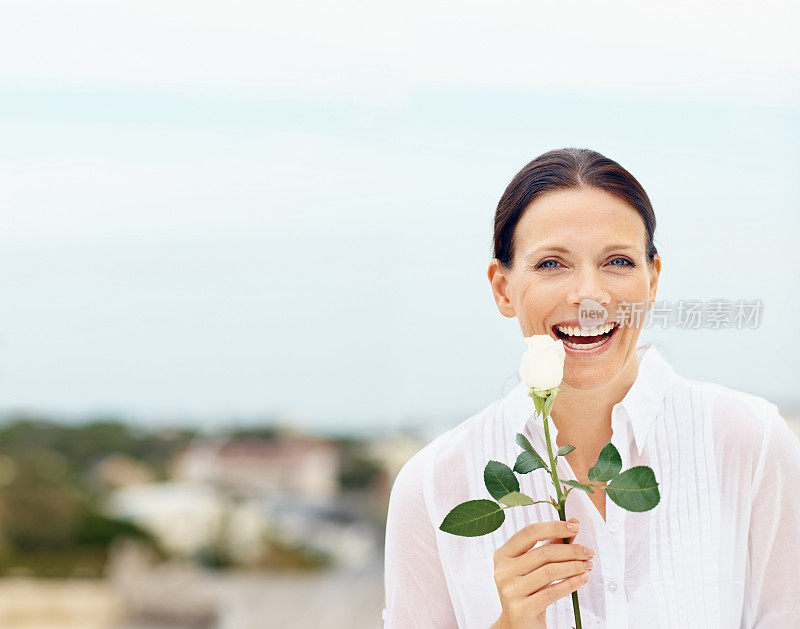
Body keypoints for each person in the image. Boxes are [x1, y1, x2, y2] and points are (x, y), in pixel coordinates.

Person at [382, 148, 800, 628]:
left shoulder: (752, 443)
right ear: (502, 288)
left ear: (653, 280)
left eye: (618, 261)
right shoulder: (433, 487)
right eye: (551, 264)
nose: (589, 295)